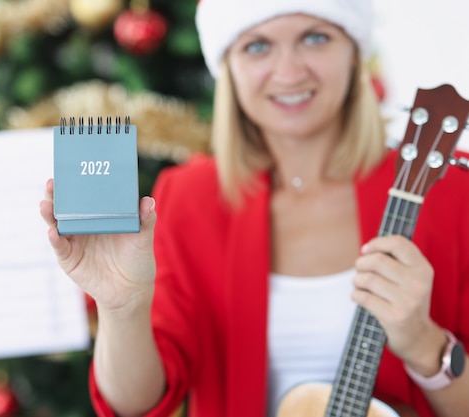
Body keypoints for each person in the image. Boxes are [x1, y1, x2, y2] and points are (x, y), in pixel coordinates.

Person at [40, 0, 469, 416]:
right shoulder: (188, 197)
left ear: (355, 53)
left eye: (316, 37)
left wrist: (424, 345)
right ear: (227, 68)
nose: (288, 72)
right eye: (257, 46)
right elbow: (137, 404)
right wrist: (121, 309)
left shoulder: (448, 196)